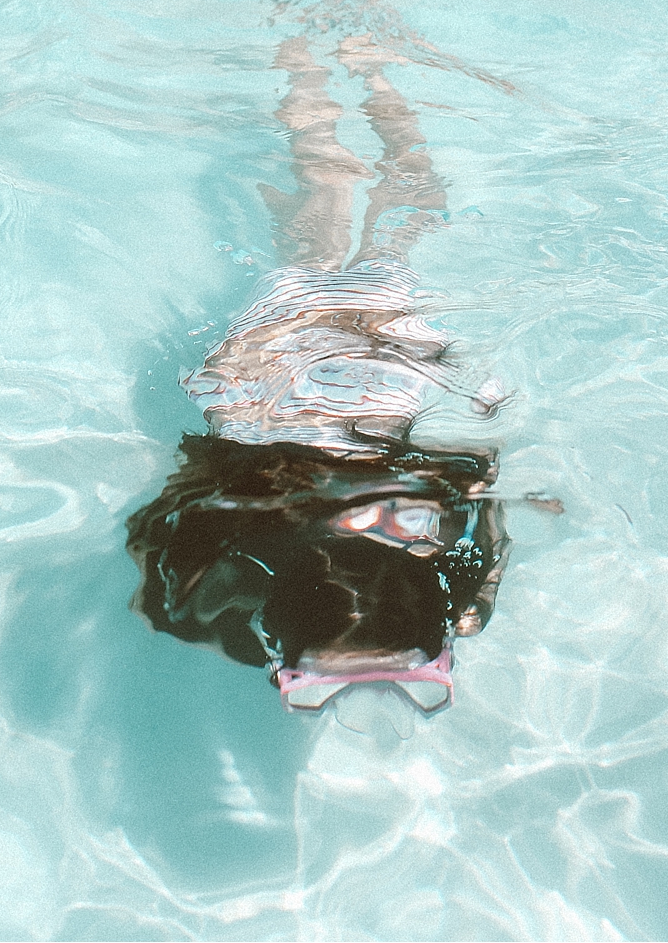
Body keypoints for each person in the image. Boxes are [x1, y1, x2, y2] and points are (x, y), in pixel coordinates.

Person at [126, 35, 509, 715]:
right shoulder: (219, 572)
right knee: (327, 212)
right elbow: (156, 563)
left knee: (399, 216)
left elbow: (486, 492)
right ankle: (316, 60)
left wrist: (474, 602)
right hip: (277, 375)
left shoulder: (448, 547)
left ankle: (364, 68)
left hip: (387, 371)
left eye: (319, 688)